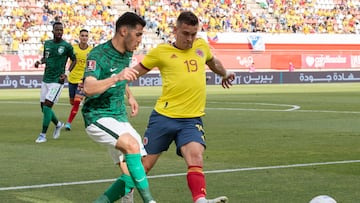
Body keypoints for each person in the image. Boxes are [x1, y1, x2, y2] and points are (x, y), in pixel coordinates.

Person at [131, 11, 234, 203]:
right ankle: (125, 192)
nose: (190, 38)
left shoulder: (201, 46)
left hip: (191, 119)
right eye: (185, 33)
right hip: (164, 117)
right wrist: (117, 83)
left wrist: (225, 73)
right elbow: (134, 73)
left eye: (193, 34)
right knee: (144, 166)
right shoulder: (160, 52)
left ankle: (200, 200)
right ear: (175, 30)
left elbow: (213, 62)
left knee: (195, 155)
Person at [81, 12, 156, 203]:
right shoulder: (98, 55)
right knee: (131, 145)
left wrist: (130, 96)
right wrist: (117, 78)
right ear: (124, 31)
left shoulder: (128, 52)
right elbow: (88, 87)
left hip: (119, 116)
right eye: (138, 34)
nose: (140, 39)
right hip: (98, 116)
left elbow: (123, 77)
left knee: (135, 168)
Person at [34, 21, 77, 143]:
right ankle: (58, 124)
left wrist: (66, 74)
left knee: (47, 105)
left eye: (61, 30)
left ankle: (43, 135)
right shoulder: (47, 44)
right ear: (53, 31)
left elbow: (74, 60)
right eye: (57, 30)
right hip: (46, 78)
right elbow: (46, 57)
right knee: (43, 107)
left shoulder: (66, 46)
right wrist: (39, 62)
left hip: (57, 81)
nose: (59, 32)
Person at [65, 29, 92, 131]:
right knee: (72, 102)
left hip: (82, 80)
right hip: (72, 78)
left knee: (76, 102)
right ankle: (84, 101)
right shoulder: (73, 48)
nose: (84, 37)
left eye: (86, 36)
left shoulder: (91, 50)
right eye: (82, 36)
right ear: (79, 37)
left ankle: (68, 123)